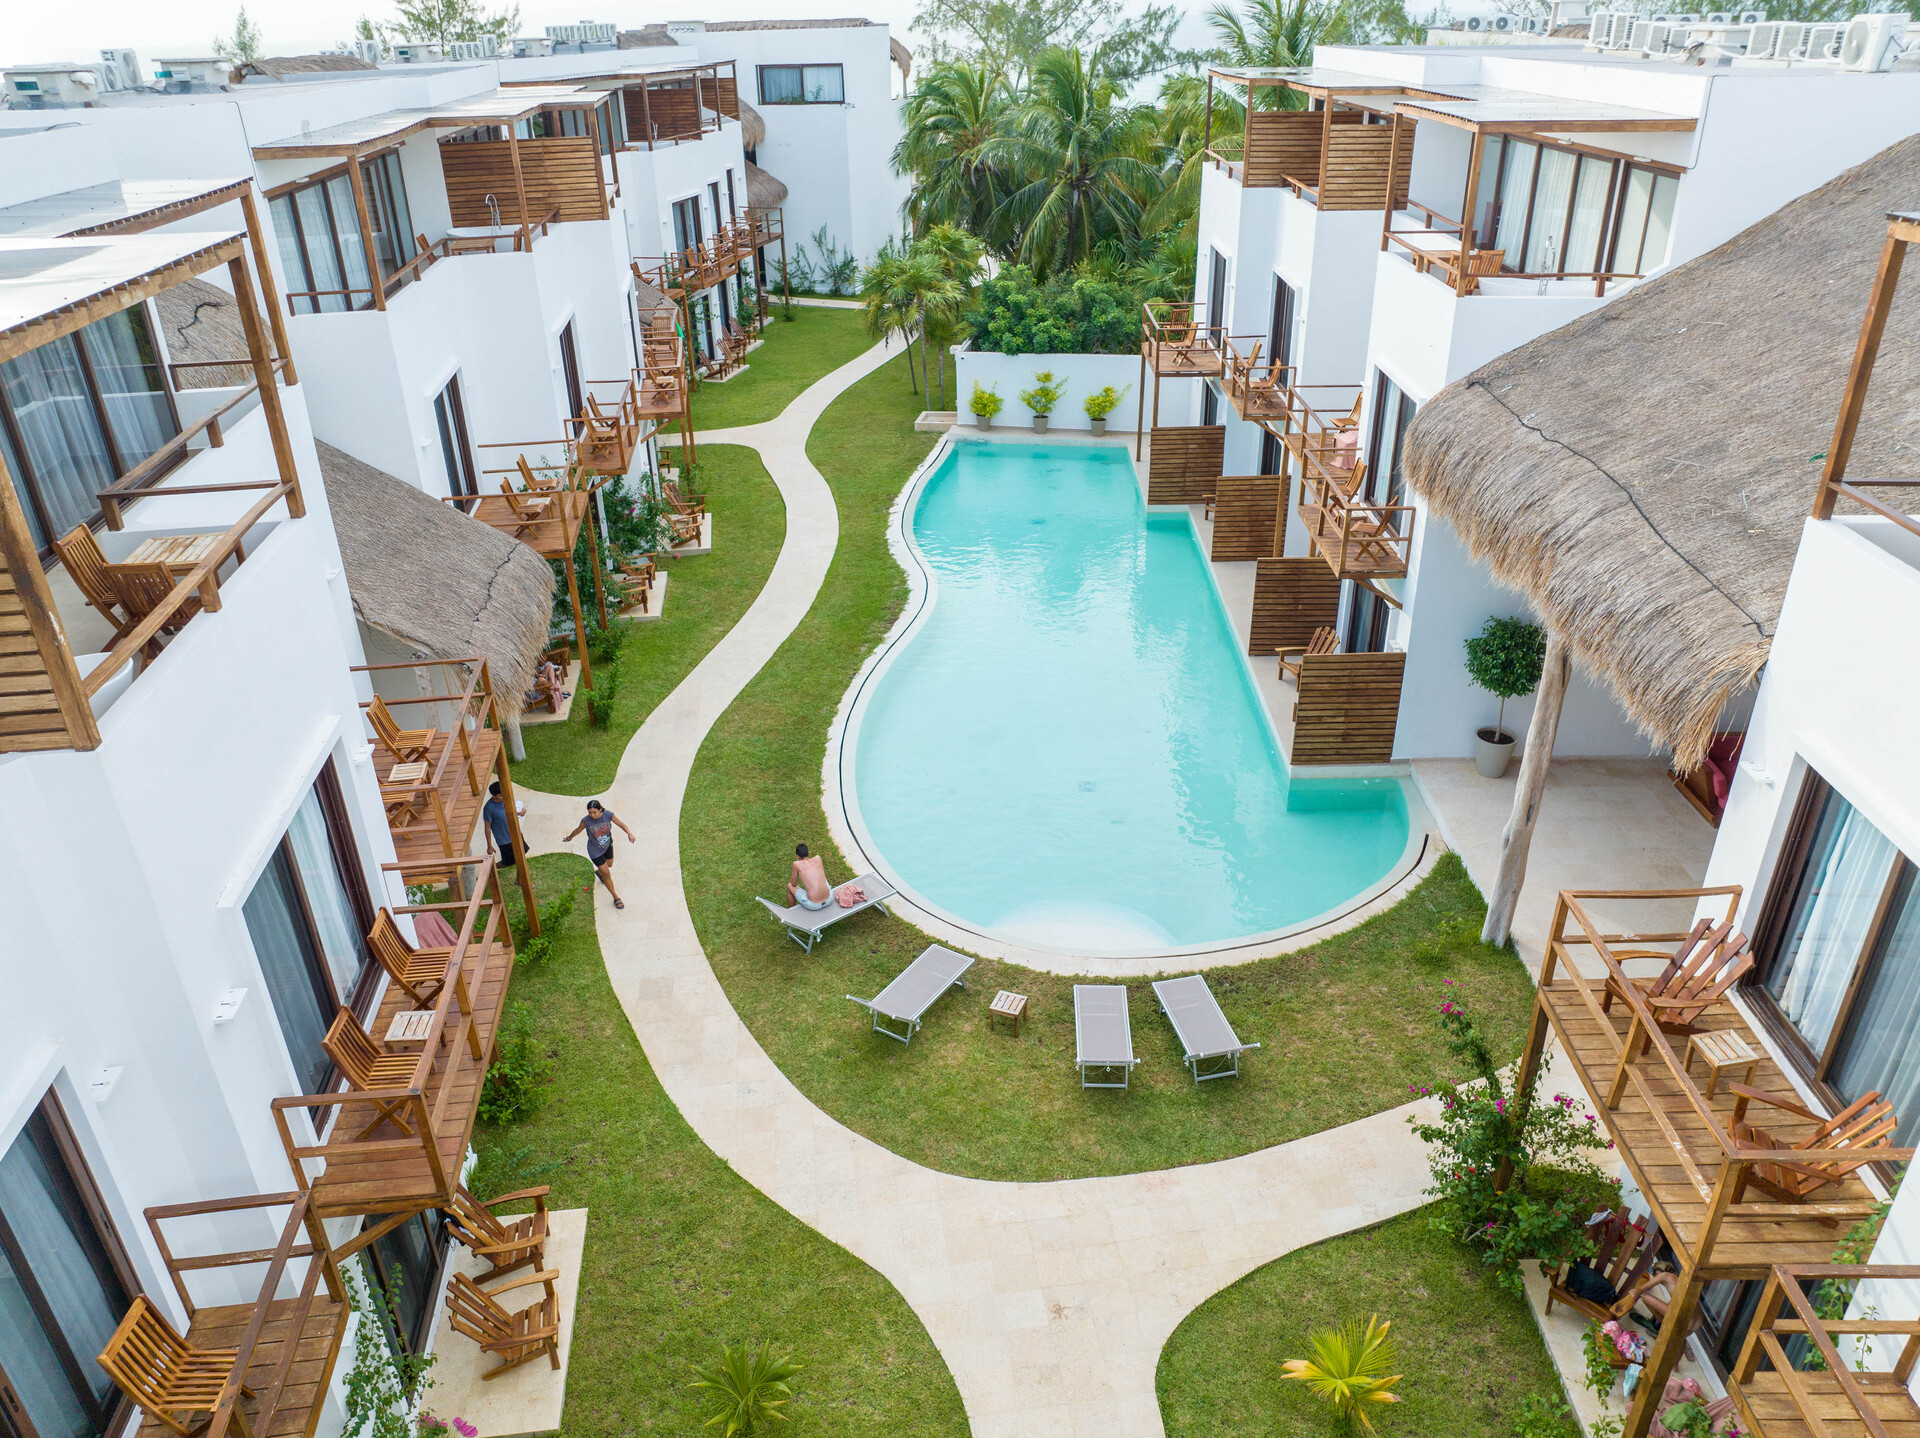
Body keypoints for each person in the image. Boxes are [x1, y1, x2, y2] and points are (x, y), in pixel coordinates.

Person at [564, 800, 634, 909]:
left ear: (600, 810)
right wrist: (569, 837)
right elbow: (578, 830)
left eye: (594, 812)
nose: (592, 815)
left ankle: (599, 872)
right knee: (607, 874)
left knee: (609, 865)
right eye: (590, 812)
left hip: (607, 845)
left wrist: (629, 833)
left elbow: (621, 824)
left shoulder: (608, 815)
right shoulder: (586, 821)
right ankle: (616, 897)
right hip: (595, 850)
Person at [481, 781, 518, 868]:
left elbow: (515, 809)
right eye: (501, 795)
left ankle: (519, 879)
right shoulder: (489, 808)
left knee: (520, 857)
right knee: (508, 862)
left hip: (516, 834)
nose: (504, 797)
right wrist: (489, 846)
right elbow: (487, 827)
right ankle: (491, 868)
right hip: (505, 841)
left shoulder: (506, 800)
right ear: (494, 796)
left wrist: (522, 811)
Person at [787, 843, 832, 912]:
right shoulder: (818, 858)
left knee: (789, 886)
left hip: (814, 905)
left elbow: (793, 884)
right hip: (829, 899)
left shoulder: (796, 864)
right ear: (808, 853)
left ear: (797, 856)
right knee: (824, 879)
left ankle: (791, 911)